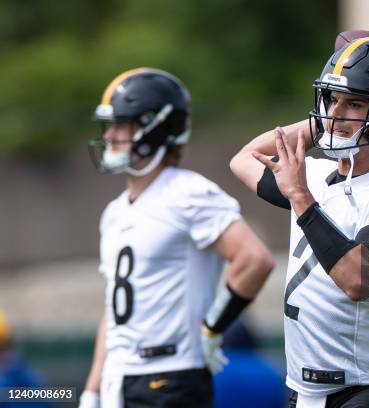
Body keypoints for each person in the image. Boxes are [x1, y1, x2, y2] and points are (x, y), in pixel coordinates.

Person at [231, 37, 369, 408]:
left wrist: (301, 199)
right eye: (331, 99)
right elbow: (245, 158)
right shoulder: (316, 174)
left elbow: (357, 279)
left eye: (353, 103)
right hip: (304, 390)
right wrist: (320, 126)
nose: (335, 112)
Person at [80, 68, 275, 408]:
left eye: (121, 124)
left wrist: (213, 327)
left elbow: (253, 259)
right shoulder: (114, 211)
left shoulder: (188, 192)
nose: (109, 135)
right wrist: (92, 389)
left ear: (156, 127)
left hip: (172, 375)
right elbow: (113, 310)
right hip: (119, 377)